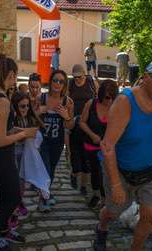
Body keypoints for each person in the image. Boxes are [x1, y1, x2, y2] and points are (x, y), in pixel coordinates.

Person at [94, 60, 152, 251]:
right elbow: (107, 146)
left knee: (151, 216)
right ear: (146, 78)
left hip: (149, 168)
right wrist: (115, 184)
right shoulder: (125, 102)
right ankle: (101, 226)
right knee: (114, 212)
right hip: (120, 170)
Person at [0, 54, 37, 251]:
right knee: (13, 196)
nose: (15, 78)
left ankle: (3, 230)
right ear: (6, 75)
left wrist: (14, 131)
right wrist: (24, 133)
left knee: (7, 195)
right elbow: (1, 139)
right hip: (1, 155)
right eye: (13, 74)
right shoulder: (4, 102)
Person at [38, 70, 74, 212]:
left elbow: (70, 126)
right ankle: (43, 200)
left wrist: (66, 116)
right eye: (55, 80)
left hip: (57, 142)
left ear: (64, 85)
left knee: (51, 171)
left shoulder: (67, 102)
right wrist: (40, 111)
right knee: (45, 170)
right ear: (50, 81)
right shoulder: (41, 98)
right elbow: (32, 118)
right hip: (42, 141)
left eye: (61, 81)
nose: (57, 84)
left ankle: (47, 193)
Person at [80, 79, 118, 209]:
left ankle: (104, 200)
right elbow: (82, 122)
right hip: (91, 145)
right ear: (101, 95)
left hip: (107, 148)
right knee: (95, 172)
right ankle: (96, 194)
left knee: (106, 173)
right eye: (107, 97)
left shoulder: (116, 107)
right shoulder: (91, 104)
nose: (110, 101)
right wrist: (92, 135)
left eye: (113, 98)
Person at [11, 91, 45, 219]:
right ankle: (14, 208)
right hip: (13, 155)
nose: (25, 109)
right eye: (22, 106)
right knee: (15, 183)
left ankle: (18, 202)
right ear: (15, 106)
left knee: (22, 182)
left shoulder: (30, 118)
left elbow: (35, 133)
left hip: (26, 155)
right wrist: (26, 132)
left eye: (27, 106)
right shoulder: (12, 118)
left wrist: (20, 132)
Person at [68, 64, 99, 193]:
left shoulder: (91, 82)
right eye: (75, 77)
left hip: (88, 123)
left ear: (84, 74)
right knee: (75, 153)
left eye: (79, 77)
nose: (77, 80)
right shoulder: (71, 84)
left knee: (86, 155)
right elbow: (67, 100)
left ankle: (84, 186)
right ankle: (74, 174)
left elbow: (99, 97)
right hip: (75, 122)